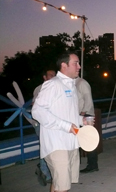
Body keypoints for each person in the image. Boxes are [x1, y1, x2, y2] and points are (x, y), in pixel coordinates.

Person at [32, 52, 90, 192]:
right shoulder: (53, 85)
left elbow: (70, 115)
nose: (79, 66)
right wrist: (66, 126)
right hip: (57, 144)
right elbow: (37, 111)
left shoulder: (72, 86)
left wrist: (81, 120)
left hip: (71, 142)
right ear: (64, 65)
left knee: (60, 184)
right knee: (63, 186)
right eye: (75, 63)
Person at [33, 68, 56, 186]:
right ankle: (45, 173)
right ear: (44, 77)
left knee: (49, 147)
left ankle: (45, 171)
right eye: (50, 75)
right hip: (41, 124)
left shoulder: (54, 89)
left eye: (54, 75)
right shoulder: (40, 89)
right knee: (45, 147)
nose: (52, 77)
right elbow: (36, 107)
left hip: (50, 124)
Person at [76, 77, 98, 174]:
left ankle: (92, 165)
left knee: (89, 141)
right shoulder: (73, 83)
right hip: (79, 115)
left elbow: (88, 100)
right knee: (79, 140)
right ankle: (78, 164)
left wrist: (82, 114)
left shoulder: (81, 83)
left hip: (85, 115)